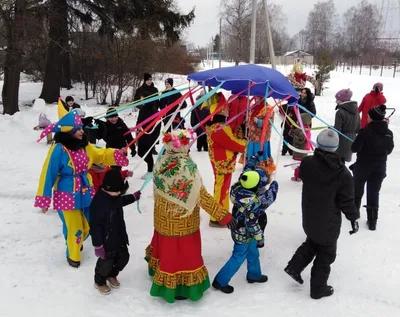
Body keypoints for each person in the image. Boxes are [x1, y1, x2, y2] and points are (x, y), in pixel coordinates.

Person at [34, 100, 129, 268]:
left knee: (88, 224)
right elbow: (47, 174)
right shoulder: (59, 149)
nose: (81, 131)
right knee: (74, 227)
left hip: (86, 191)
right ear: (68, 132)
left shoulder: (85, 146)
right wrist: (44, 199)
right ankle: (73, 255)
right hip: (66, 193)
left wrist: (117, 153)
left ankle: (75, 240)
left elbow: (102, 154)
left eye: (80, 128)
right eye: (77, 129)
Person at [145, 129, 236, 303]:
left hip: (163, 220)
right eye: (187, 144)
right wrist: (224, 216)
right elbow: (200, 196)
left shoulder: (161, 162)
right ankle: (180, 287)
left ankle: (164, 275)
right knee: (182, 256)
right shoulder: (186, 167)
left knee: (169, 252)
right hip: (183, 221)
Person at [284, 129, 360, 300]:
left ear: (318, 143)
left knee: (312, 241)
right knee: (326, 254)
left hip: (310, 216)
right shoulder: (343, 174)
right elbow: (347, 201)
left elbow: (304, 176)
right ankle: (318, 289)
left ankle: (294, 267)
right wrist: (354, 218)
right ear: (337, 147)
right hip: (329, 222)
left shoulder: (308, 163)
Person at [212, 155, 278, 294]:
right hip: (244, 233)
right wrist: (274, 187)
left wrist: (253, 160)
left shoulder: (239, 187)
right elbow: (254, 223)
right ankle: (220, 281)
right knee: (238, 256)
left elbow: (246, 173)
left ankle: (254, 274)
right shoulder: (253, 203)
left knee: (252, 252)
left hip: (236, 227)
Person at [90, 169, 141, 295]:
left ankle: (112, 274)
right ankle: (100, 281)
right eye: (116, 191)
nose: (118, 193)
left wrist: (133, 197)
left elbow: (120, 201)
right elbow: (95, 226)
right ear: (106, 188)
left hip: (119, 235)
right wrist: (98, 245)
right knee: (106, 262)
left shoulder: (114, 196)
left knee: (123, 257)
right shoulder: (98, 203)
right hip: (106, 240)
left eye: (120, 191)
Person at [350, 105, 394, 231]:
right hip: (379, 168)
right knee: (374, 192)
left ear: (372, 118)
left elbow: (354, 149)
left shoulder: (365, 132)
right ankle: (372, 221)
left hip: (362, 167)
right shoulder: (389, 133)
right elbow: (389, 150)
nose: (367, 118)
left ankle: (354, 215)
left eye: (368, 116)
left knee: (357, 190)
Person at [206, 93, 247, 227]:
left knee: (222, 187)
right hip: (222, 163)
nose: (228, 110)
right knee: (221, 188)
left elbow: (231, 139)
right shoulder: (219, 128)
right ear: (220, 110)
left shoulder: (219, 126)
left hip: (223, 163)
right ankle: (217, 217)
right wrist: (244, 143)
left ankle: (221, 214)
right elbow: (233, 143)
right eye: (226, 108)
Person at [134, 73, 160, 178]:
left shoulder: (155, 89)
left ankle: (150, 170)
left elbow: (157, 101)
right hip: (143, 121)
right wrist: (142, 105)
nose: (149, 81)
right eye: (147, 80)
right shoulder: (140, 89)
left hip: (153, 120)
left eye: (151, 79)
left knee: (147, 148)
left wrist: (153, 107)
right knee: (140, 150)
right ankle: (151, 168)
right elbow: (136, 102)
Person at [245, 96, 276, 176]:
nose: (256, 100)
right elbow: (250, 117)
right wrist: (248, 121)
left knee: (260, 150)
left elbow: (269, 123)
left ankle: (261, 167)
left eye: (259, 98)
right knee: (252, 149)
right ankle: (251, 164)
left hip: (261, 136)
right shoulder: (253, 107)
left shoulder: (268, 109)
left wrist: (258, 121)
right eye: (256, 98)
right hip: (252, 134)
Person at [333, 88, 360, 162]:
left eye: (337, 99)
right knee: (342, 162)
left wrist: (332, 129)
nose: (336, 101)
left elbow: (337, 131)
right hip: (351, 139)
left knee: (336, 161)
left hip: (341, 140)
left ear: (342, 100)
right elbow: (358, 127)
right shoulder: (356, 110)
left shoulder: (340, 112)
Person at [289, 113, 312, 182]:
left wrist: (294, 135)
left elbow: (300, 140)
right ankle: (296, 176)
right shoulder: (301, 128)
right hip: (299, 150)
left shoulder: (304, 130)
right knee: (297, 165)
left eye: (299, 121)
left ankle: (299, 176)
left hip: (301, 151)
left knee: (299, 165)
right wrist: (292, 132)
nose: (297, 121)